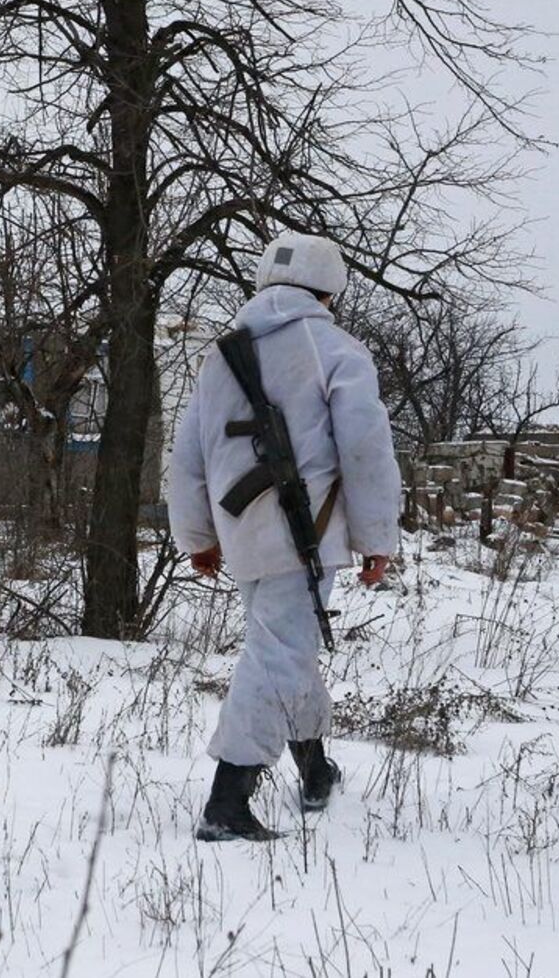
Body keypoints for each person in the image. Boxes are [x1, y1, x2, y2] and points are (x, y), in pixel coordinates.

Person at [167, 232, 401, 841]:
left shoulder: (220, 356)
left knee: (286, 648)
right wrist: (378, 537)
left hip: (241, 533)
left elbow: (188, 454)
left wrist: (197, 535)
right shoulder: (335, 349)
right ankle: (228, 801)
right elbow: (366, 450)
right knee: (277, 656)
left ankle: (315, 770)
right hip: (306, 537)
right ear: (330, 290)